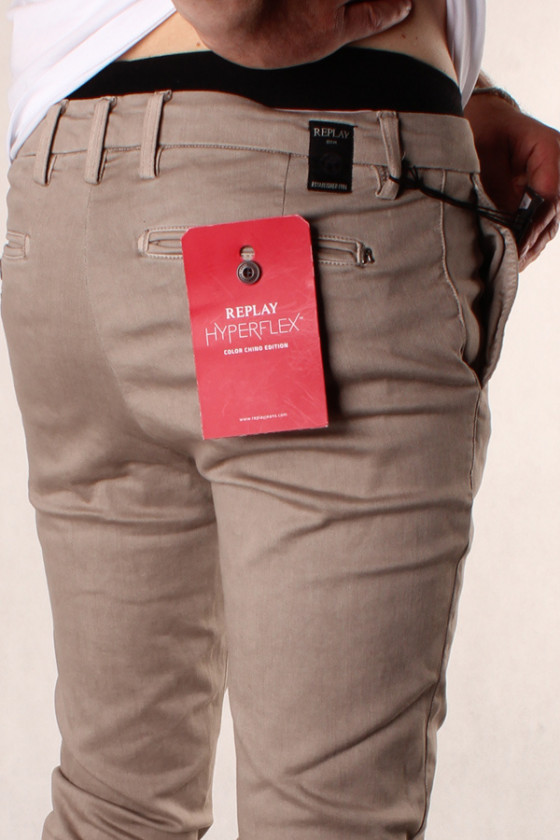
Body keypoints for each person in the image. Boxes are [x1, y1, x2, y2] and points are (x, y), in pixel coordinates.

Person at [1, 2, 559, 840]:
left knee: (117, 809)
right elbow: (241, 17)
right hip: (293, 191)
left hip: (69, 197)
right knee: (322, 821)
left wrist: (463, 85)